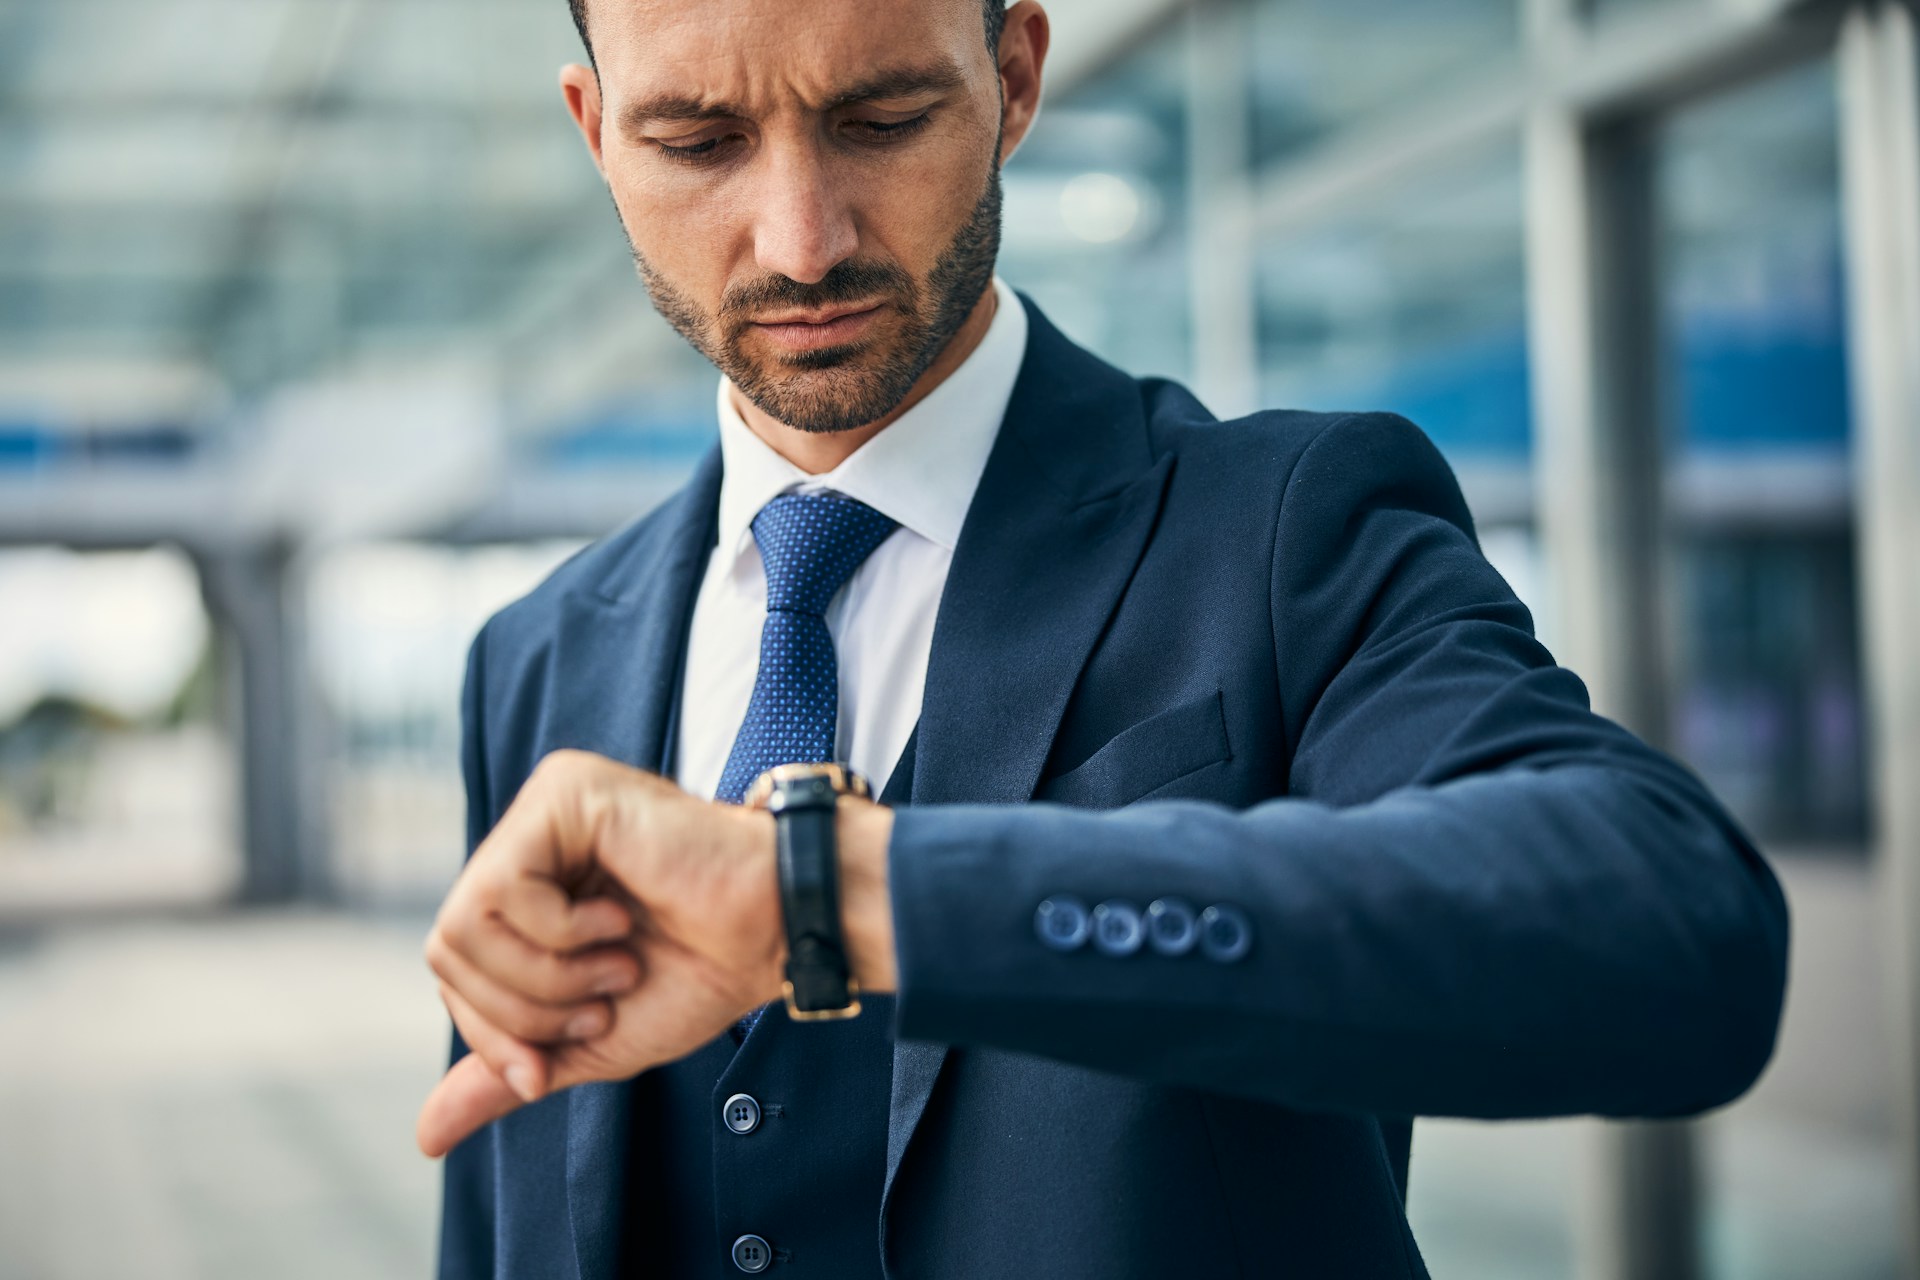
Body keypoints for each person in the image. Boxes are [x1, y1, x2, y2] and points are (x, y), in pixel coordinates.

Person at [417, 0, 1791, 1275]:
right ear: (598, 133)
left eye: (883, 119)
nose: (801, 240)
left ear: (1013, 79)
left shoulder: (1282, 531)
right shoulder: (535, 657)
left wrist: (828, 896)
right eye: (699, 142)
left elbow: (1672, 937)